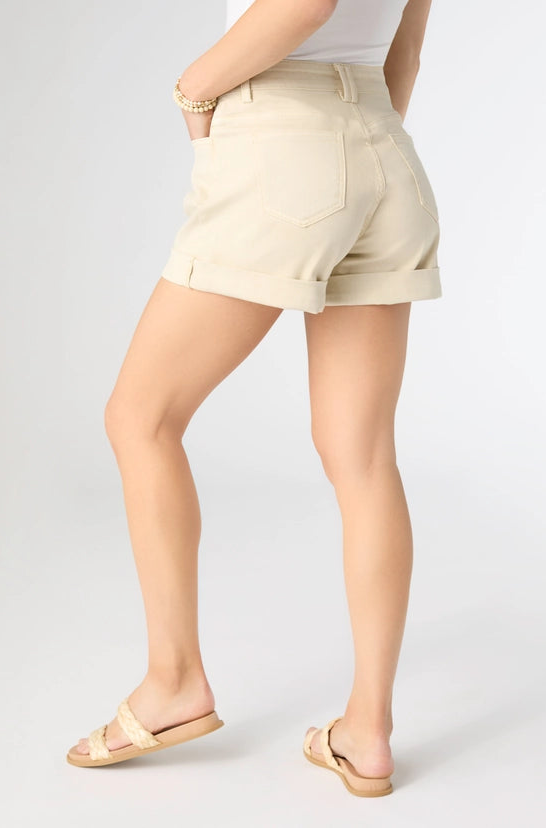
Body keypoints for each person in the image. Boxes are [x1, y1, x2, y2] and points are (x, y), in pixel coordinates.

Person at [66, 0, 439, 798]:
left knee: (141, 418)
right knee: (365, 457)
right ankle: (368, 732)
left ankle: (174, 682)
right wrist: (353, 153)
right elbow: (403, 56)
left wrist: (195, 87)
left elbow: (306, 4)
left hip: (285, 138)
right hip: (386, 151)